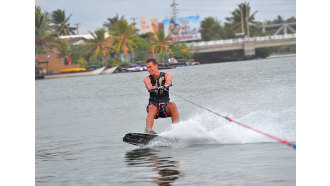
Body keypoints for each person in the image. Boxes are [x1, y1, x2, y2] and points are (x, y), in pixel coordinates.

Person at [144, 59, 180, 134]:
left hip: (164, 107)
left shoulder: (167, 75)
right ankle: (148, 130)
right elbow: (148, 85)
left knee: (173, 105)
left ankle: (176, 130)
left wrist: (166, 84)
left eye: (150, 67)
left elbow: (169, 80)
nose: (148, 69)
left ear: (156, 66)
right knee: (152, 107)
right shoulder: (147, 79)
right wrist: (151, 88)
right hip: (153, 106)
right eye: (147, 68)